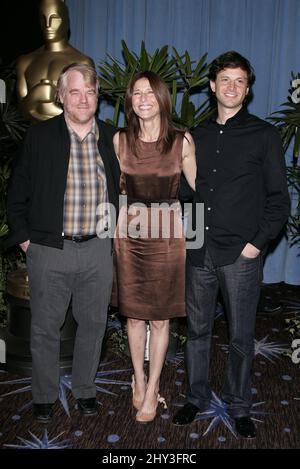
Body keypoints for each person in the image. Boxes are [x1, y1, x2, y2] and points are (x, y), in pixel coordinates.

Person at [172, 51, 290, 438]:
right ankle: (195, 397)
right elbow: (188, 193)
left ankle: (239, 406)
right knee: (198, 331)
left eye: (240, 81)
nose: (232, 87)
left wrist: (256, 245)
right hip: (199, 249)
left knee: (240, 336)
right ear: (212, 85)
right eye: (225, 79)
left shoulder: (264, 135)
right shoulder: (196, 135)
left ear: (248, 88)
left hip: (241, 254)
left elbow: (279, 200)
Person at [6, 63, 120, 422]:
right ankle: (43, 395)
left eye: (89, 91)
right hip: (49, 249)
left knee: (94, 325)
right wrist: (26, 240)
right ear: (61, 96)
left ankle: (85, 390)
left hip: (99, 248)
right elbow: (18, 192)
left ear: (97, 95)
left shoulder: (113, 137)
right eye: (75, 91)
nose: (83, 98)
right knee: (44, 327)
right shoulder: (40, 137)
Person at [112, 70, 196, 423]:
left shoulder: (182, 141)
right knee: (132, 315)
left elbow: (198, 194)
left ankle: (153, 387)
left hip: (167, 235)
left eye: (149, 92)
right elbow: (118, 193)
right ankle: (139, 376)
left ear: (162, 98)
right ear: (130, 101)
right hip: (129, 235)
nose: (143, 98)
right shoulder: (120, 141)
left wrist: (194, 238)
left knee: (161, 319)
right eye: (136, 93)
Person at [16, 0, 94, 122]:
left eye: (54, 18)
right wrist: (35, 95)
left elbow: (85, 111)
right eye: (43, 18)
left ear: (66, 22)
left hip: (68, 137)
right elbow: (21, 111)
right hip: (33, 137)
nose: (48, 25)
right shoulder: (25, 62)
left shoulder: (82, 62)